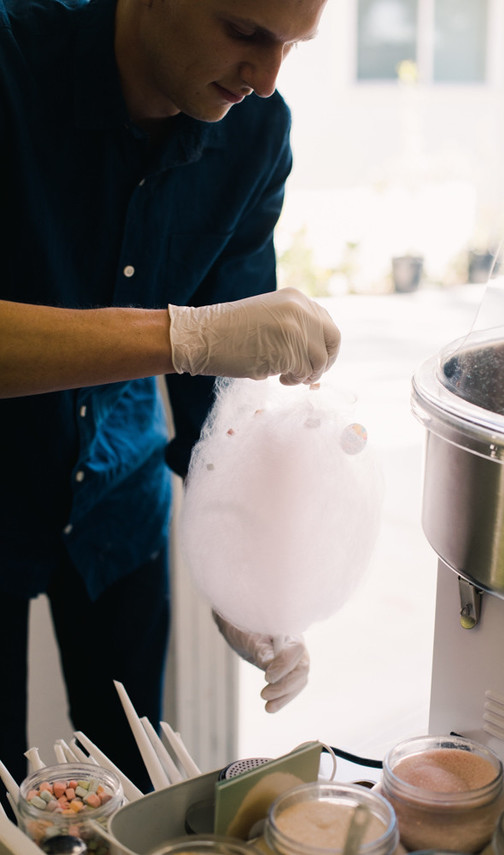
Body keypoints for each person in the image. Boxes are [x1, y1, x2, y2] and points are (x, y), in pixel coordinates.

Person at [0, 0, 339, 796]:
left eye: (293, 46)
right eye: (246, 33)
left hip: (120, 506)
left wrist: (250, 575)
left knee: (132, 788)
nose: (265, 79)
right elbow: (203, 340)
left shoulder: (256, 138)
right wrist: (182, 334)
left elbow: (221, 405)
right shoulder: (13, 66)